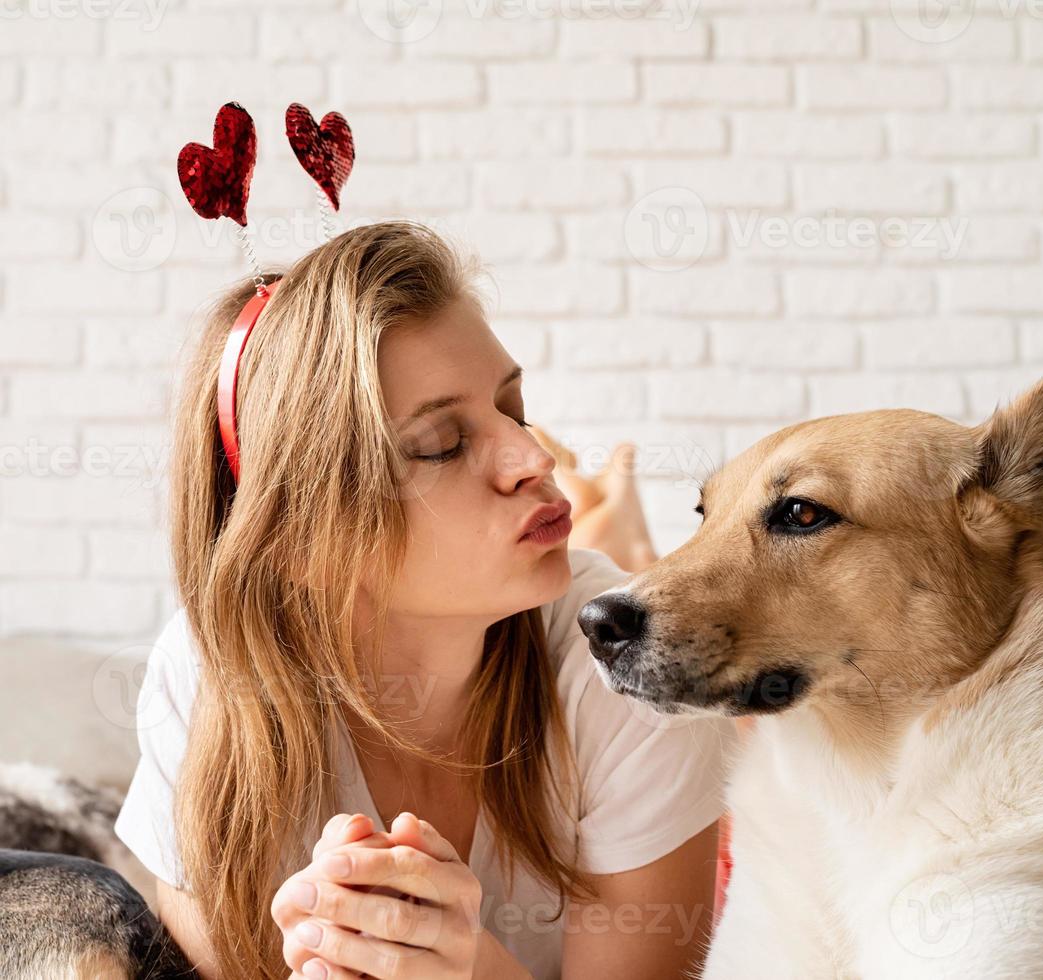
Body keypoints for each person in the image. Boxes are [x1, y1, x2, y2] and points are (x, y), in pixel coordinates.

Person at [113, 220, 734, 980]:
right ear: (302, 543)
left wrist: (474, 970)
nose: (533, 457)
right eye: (442, 443)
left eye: (515, 407)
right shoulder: (207, 681)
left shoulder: (623, 654)